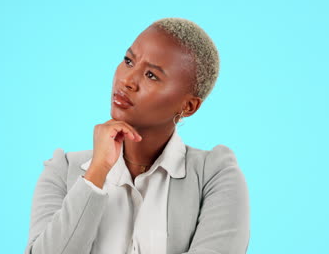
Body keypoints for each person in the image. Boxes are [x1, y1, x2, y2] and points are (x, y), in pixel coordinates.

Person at [24, 17, 250, 254]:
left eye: (151, 75)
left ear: (189, 107)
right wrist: (96, 173)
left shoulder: (213, 176)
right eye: (128, 61)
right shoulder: (64, 170)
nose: (127, 80)